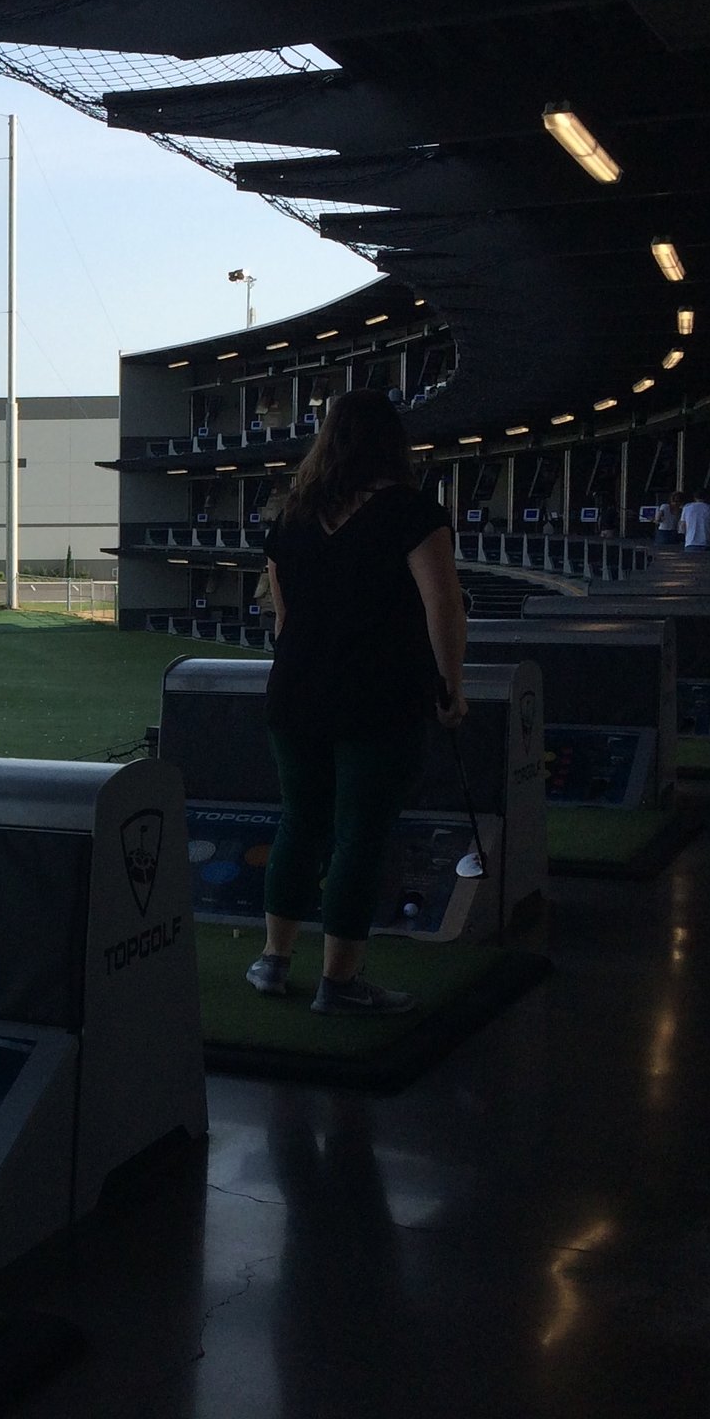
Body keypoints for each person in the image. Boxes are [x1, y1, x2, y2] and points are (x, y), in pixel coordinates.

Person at [247, 390, 467, 1015]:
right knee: (359, 837)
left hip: (294, 694)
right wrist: (450, 686)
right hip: (379, 697)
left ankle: (273, 960)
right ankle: (339, 984)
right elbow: (443, 605)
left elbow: (284, 621)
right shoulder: (411, 512)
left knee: (300, 823)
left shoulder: (290, 518)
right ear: (390, 443)